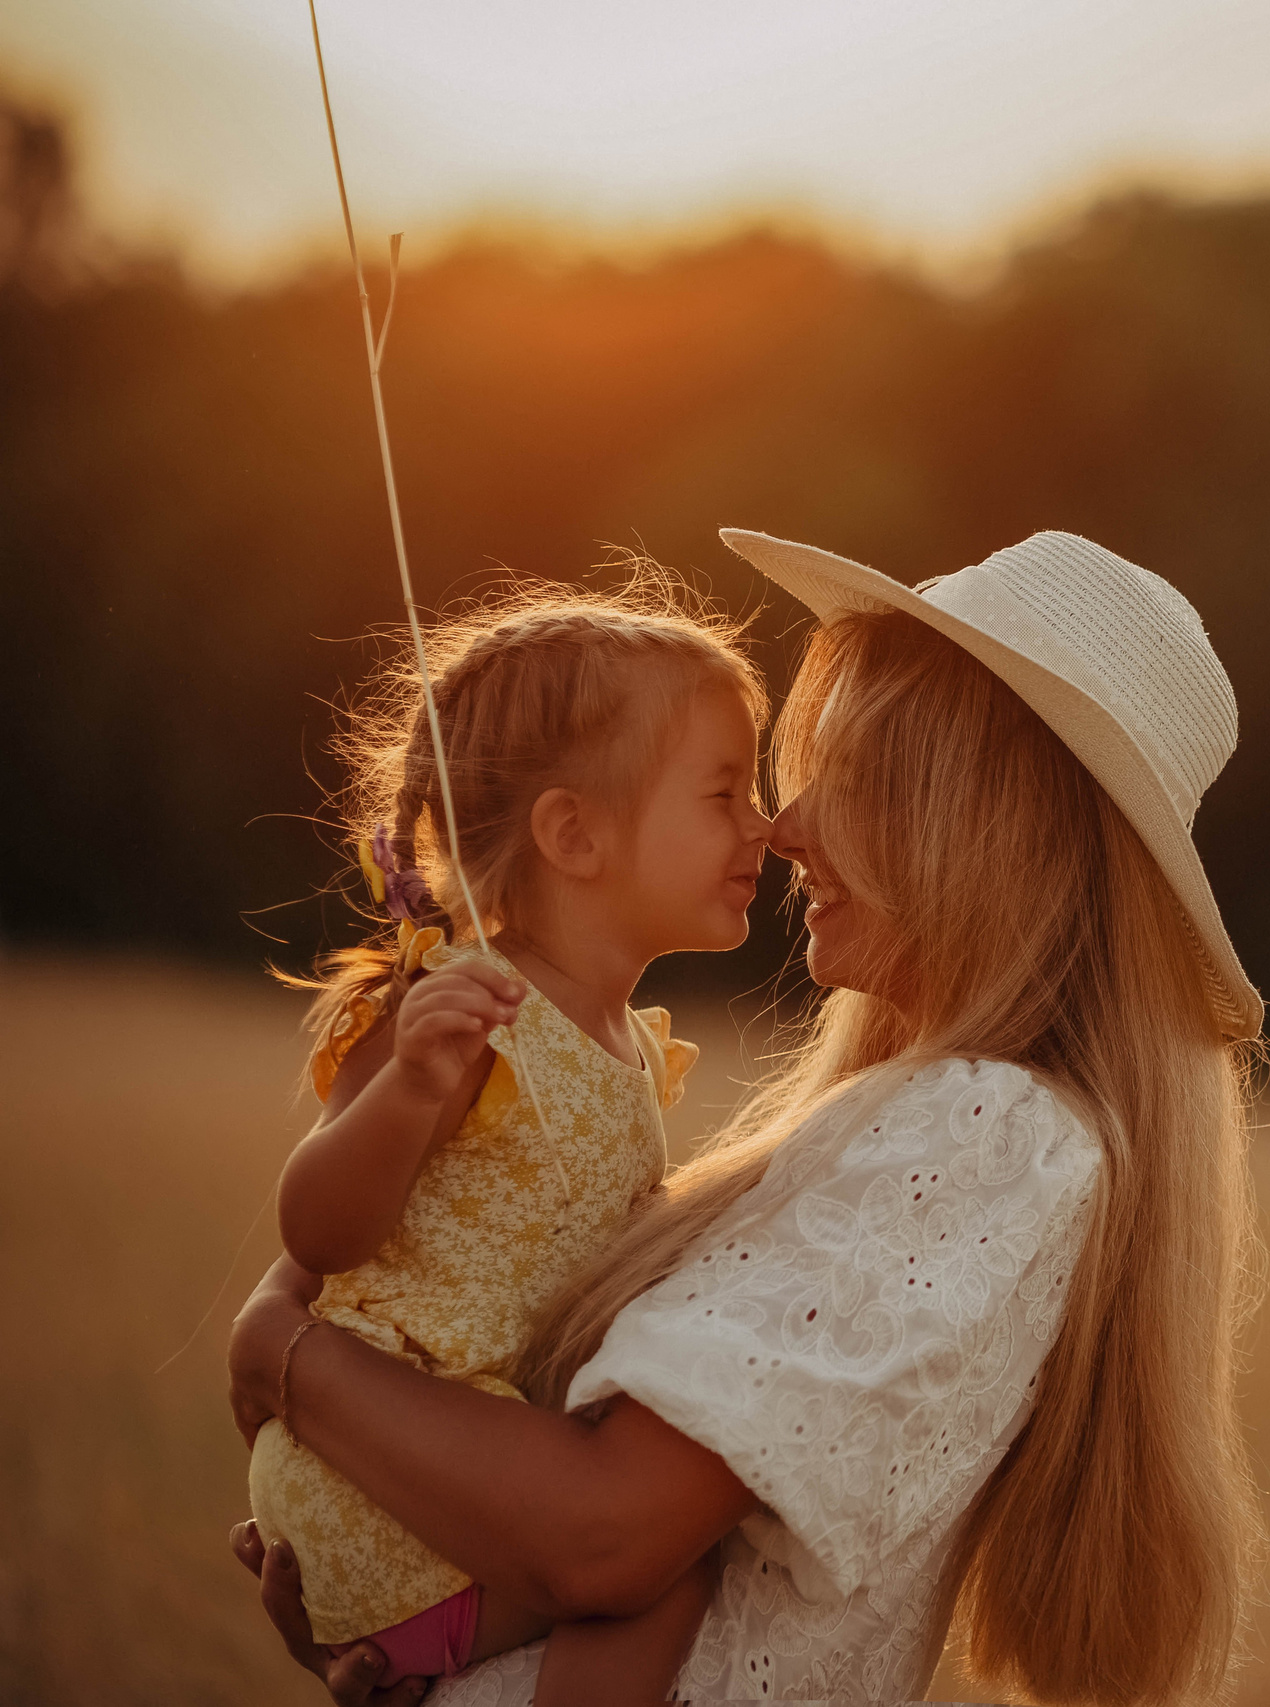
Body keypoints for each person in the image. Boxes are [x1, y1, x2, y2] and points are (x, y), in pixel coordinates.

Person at [228, 529, 1270, 1705]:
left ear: (987, 823)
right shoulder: (933, 1117)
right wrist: (415, 1630)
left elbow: (601, 1538)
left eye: (859, 777)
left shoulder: (988, 1132)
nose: (785, 826)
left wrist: (286, 1350)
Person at [243, 584, 772, 1704]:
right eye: (725, 794)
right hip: (385, 1468)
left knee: (653, 1558)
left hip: (456, 1459)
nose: (762, 824)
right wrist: (405, 1093)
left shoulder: (623, 1039)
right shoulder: (467, 1015)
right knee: (651, 1575)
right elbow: (316, 1230)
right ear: (573, 834)